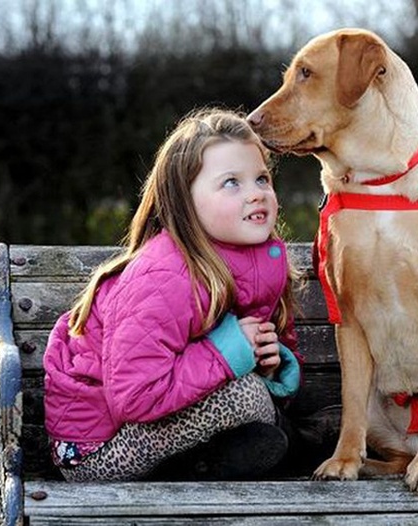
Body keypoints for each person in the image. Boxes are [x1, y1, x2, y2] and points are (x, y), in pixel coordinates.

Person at [42, 108, 303, 482]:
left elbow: (248, 360)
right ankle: (295, 448)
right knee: (247, 397)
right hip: (95, 450)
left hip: (161, 426)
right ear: (185, 201)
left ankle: (246, 453)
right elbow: (134, 395)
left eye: (262, 179)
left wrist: (269, 362)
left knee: (255, 395)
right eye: (232, 183)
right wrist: (227, 352)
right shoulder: (164, 275)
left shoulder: (260, 263)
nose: (256, 194)